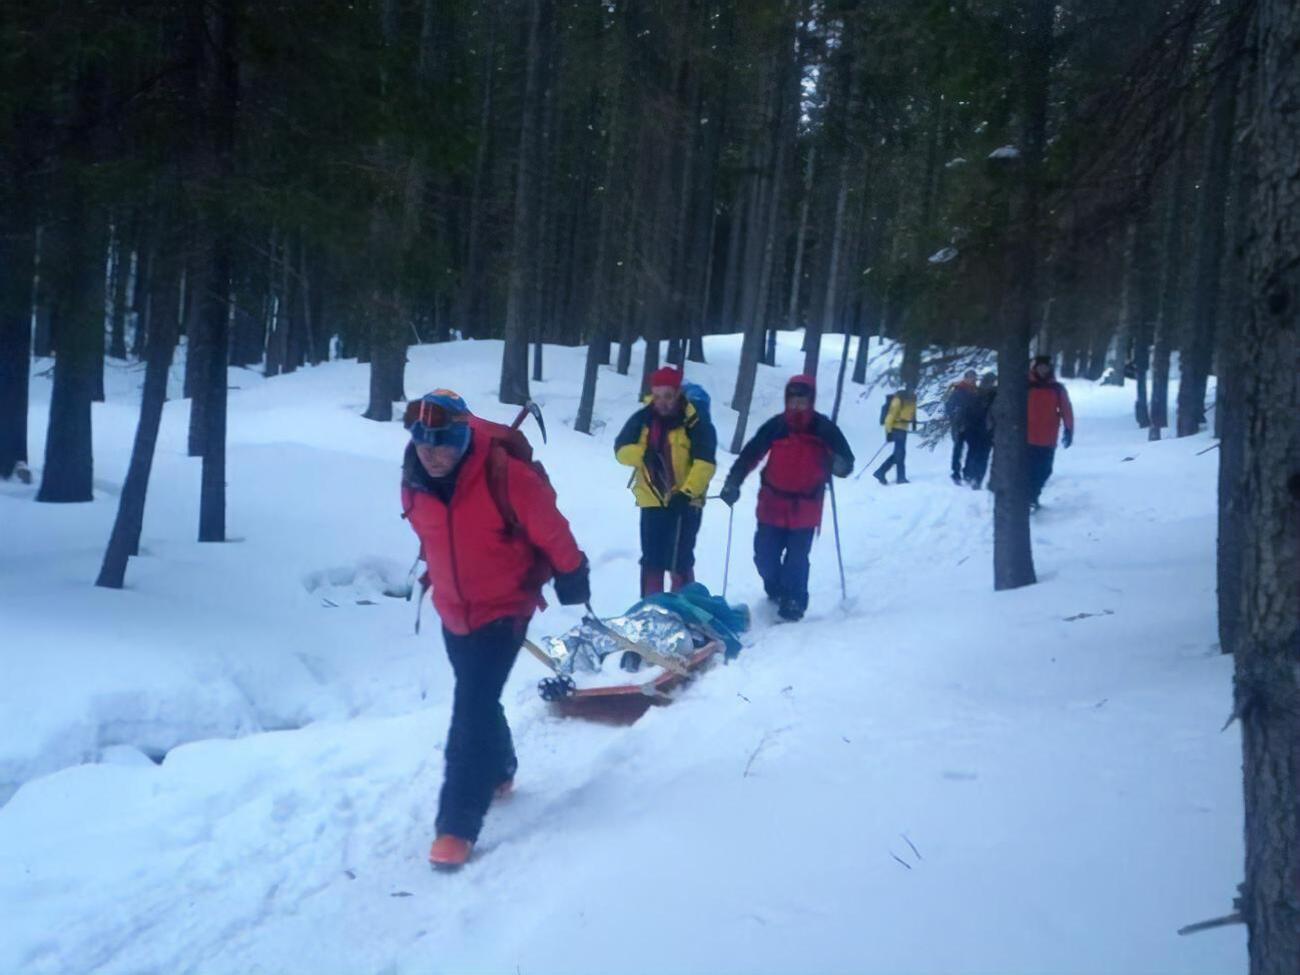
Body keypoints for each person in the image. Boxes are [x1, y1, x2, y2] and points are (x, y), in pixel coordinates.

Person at [402, 390, 590, 869]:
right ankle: (501, 766)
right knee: (477, 696)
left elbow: (552, 530)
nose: (431, 451)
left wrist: (573, 573)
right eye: (422, 440)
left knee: (469, 710)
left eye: (443, 441)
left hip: (505, 608)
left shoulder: (507, 476)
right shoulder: (413, 479)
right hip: (452, 610)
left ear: (465, 434)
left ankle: (456, 825)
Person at [719, 375, 853, 621]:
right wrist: (733, 482)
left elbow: (847, 463)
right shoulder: (776, 426)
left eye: (802, 402)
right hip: (772, 503)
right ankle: (776, 587)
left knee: (797, 558)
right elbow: (750, 454)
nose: (796, 406)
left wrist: (839, 464)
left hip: (807, 506)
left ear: (811, 401)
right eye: (792, 401)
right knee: (764, 555)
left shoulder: (824, 428)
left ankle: (795, 600)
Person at [614, 367, 718, 596]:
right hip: (652, 499)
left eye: (668, 396)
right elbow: (620, 450)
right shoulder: (643, 418)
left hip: (687, 502)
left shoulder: (696, 422)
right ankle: (651, 607)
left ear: (678, 393)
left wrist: (687, 493)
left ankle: (685, 608)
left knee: (680, 558)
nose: (662, 402)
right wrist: (643, 453)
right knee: (652, 558)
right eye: (658, 396)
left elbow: (705, 463)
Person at [1027, 355, 1074, 509]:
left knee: (1045, 470)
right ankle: (1030, 498)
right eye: (1040, 367)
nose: (1043, 369)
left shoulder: (1057, 388)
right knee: (1030, 470)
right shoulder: (1026, 385)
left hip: (1048, 437)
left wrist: (1069, 429)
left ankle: (1034, 494)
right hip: (1028, 437)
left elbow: (1066, 409)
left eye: (1045, 367)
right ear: (1035, 368)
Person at [872, 388, 917, 485]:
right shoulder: (899, 400)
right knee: (900, 453)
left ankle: (880, 472)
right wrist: (888, 432)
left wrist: (914, 423)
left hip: (903, 429)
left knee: (898, 454)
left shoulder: (911, 399)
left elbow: (913, 412)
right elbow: (889, 417)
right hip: (896, 429)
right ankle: (900, 478)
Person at [944, 370, 980, 485]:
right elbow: (949, 407)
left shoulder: (975, 391)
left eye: (974, 378)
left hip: (971, 425)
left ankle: (967, 472)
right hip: (959, 424)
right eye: (971, 378)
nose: (973, 380)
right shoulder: (958, 390)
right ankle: (956, 473)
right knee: (958, 449)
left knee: (972, 449)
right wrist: (955, 418)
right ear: (966, 378)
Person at [963, 372, 997, 489]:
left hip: (975, 428)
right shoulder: (993, 394)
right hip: (985, 429)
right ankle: (976, 478)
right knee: (982, 455)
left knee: (974, 453)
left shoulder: (976, 392)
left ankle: (970, 475)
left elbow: (967, 411)